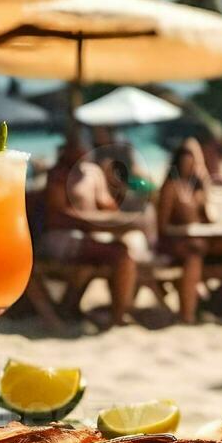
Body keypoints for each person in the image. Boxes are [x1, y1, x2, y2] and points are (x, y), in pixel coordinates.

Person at [42, 134, 141, 328]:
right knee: (119, 253)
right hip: (61, 236)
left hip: (87, 235)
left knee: (122, 252)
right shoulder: (58, 175)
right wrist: (89, 222)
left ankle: (117, 310)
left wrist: (122, 189)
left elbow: (107, 205)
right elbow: (56, 215)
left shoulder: (93, 173)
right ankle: (118, 315)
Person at [155, 140, 210, 324]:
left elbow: (209, 217)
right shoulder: (172, 187)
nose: (189, 167)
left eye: (192, 163)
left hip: (195, 240)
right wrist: (183, 230)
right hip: (173, 242)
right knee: (193, 255)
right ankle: (188, 314)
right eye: (185, 163)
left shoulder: (194, 188)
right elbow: (162, 226)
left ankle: (206, 302)